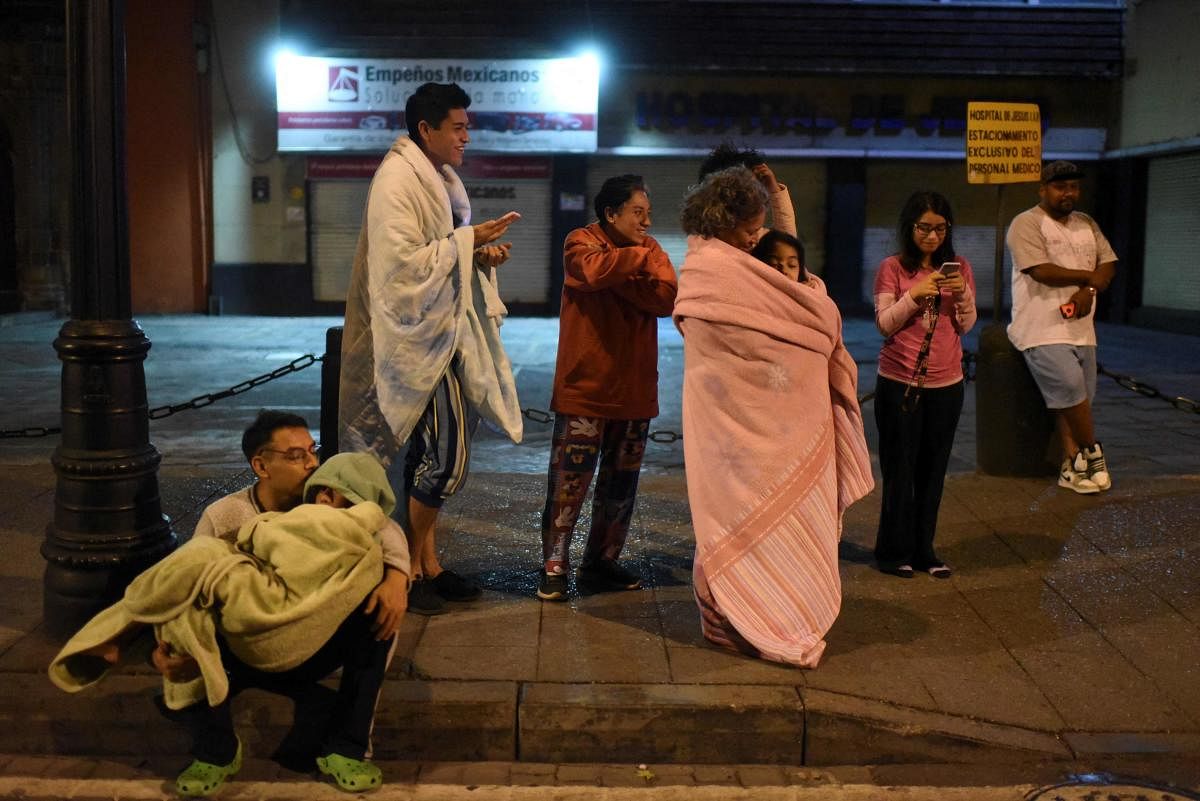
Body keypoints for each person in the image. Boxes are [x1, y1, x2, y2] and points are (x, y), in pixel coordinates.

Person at [50, 452, 407, 796]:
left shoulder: (354, 524)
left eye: (311, 454)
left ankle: (347, 748)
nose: (310, 463)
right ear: (262, 464)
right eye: (296, 455)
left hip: (305, 640)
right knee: (194, 586)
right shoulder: (227, 513)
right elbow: (180, 585)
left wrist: (396, 577)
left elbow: (383, 529)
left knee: (379, 616)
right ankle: (214, 751)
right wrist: (156, 654)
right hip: (242, 641)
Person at [673, 167, 874, 667]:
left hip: (779, 427)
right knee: (727, 520)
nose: (756, 236)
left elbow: (797, 290)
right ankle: (726, 617)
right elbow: (806, 311)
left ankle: (751, 614)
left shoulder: (739, 263)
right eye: (750, 227)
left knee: (748, 519)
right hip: (727, 421)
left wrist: (780, 202)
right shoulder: (714, 268)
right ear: (725, 221)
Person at [338, 82, 525, 616]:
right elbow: (400, 268)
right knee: (447, 459)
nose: (468, 136)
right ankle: (409, 566)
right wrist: (468, 241)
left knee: (426, 454)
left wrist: (478, 253)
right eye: (459, 127)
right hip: (410, 339)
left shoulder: (440, 179)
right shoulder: (398, 178)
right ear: (427, 130)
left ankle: (427, 565)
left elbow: (436, 255)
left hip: (439, 331)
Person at [536, 175, 678, 602]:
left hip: (634, 392)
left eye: (648, 214)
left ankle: (601, 562)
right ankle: (553, 565)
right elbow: (591, 272)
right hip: (584, 388)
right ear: (610, 213)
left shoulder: (647, 249)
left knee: (620, 490)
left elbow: (666, 297)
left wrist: (626, 267)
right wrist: (637, 264)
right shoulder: (580, 240)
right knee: (568, 485)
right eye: (638, 213)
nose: (647, 223)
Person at [871, 191, 978, 580]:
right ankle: (892, 551)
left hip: (947, 385)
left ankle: (925, 551)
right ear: (909, 228)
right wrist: (915, 295)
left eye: (940, 228)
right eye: (923, 228)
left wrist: (961, 292)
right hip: (900, 382)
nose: (932, 236)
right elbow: (884, 323)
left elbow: (966, 325)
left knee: (933, 471)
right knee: (900, 470)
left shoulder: (961, 267)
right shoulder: (892, 268)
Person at [1006, 160, 1117, 495]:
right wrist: (1087, 278)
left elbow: (1108, 262)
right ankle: (1093, 454)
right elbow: (1040, 270)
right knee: (1070, 390)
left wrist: (1090, 291)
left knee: (1076, 401)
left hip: (1082, 329)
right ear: (1043, 189)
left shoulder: (1086, 223)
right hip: (1041, 327)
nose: (1068, 193)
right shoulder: (1026, 223)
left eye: (1074, 187)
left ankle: (1072, 466)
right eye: (1060, 187)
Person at [698, 142, 797, 239]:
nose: (755, 198)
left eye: (757, 189)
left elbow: (786, 245)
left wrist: (774, 190)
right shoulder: (706, 242)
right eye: (748, 189)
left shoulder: (754, 237)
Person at [750, 229, 819, 287]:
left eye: (792, 265)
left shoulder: (808, 289)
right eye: (774, 264)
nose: (784, 270)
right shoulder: (754, 288)